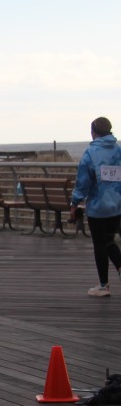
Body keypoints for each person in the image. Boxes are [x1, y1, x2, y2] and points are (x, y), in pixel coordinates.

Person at [70, 116, 121, 296]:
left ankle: (103, 285)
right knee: (109, 241)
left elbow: (82, 183)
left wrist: (74, 203)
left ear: (94, 133)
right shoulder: (118, 150)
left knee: (100, 244)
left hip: (98, 208)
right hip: (117, 205)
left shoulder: (90, 153)